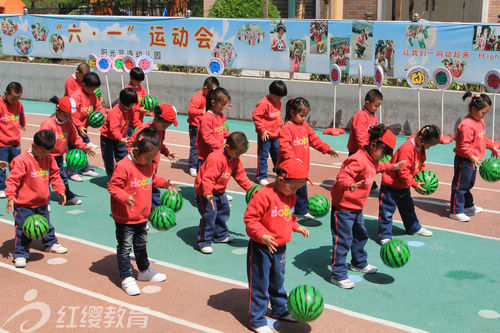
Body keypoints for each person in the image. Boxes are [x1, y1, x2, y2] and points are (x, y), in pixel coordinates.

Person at [330, 124, 405, 289]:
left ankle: (358, 262)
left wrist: (394, 166)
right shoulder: (359, 159)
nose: (384, 157)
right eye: (383, 152)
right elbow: (343, 175)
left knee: (360, 236)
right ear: (373, 145)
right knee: (342, 241)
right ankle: (338, 274)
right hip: (343, 208)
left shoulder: (373, 160)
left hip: (356, 208)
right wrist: (349, 184)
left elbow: (380, 167)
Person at [108, 127, 178, 296]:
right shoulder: (123, 166)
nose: (149, 162)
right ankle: (126, 277)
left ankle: (143, 270)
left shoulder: (149, 164)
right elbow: (113, 186)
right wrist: (125, 197)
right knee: (125, 248)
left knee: (141, 245)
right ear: (137, 150)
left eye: (153, 158)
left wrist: (164, 183)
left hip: (142, 216)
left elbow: (152, 179)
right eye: (147, 158)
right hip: (125, 218)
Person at [244, 158, 310, 333]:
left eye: (298, 189)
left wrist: (296, 226)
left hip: (280, 248)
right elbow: (250, 220)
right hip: (261, 248)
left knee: (278, 280)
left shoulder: (290, 196)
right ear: (281, 180)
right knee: (260, 283)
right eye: (294, 187)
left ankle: (280, 309)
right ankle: (257, 320)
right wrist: (262, 235)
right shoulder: (264, 195)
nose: (295, 192)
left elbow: (289, 216)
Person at [5, 130, 68, 268]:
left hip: (42, 202)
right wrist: (11, 197)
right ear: (34, 146)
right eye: (43, 152)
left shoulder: (49, 158)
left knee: (46, 225)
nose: (45, 155)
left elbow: (55, 175)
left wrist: (61, 191)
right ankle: (21, 253)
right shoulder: (21, 161)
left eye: (47, 152)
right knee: (22, 229)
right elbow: (12, 181)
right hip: (24, 205)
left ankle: (50, 243)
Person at [377, 125, 441, 244]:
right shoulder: (407, 149)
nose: (429, 148)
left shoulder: (421, 150)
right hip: (391, 185)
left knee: (408, 208)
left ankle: (413, 227)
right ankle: (384, 235)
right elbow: (403, 171)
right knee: (386, 211)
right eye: (429, 145)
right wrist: (414, 183)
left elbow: (421, 165)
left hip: (403, 185)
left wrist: (422, 177)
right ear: (421, 139)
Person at [278, 97, 338, 219]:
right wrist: (292, 161)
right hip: (290, 169)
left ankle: (301, 210)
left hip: (302, 168)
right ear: (292, 112)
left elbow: (314, 139)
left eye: (306, 115)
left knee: (301, 189)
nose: (304, 118)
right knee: (287, 190)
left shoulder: (305, 126)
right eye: (301, 115)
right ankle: (283, 210)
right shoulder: (287, 128)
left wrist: (326, 149)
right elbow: (285, 146)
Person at [194, 132, 252, 254]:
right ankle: (203, 241)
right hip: (205, 192)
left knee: (223, 211)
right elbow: (208, 177)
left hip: (219, 191)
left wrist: (249, 189)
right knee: (210, 215)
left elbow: (240, 175)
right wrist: (207, 192)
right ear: (227, 147)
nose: (238, 156)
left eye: (240, 154)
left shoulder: (235, 159)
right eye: (237, 153)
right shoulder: (216, 158)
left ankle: (220, 235)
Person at [450, 92, 500, 222]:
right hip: (465, 159)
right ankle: (456, 211)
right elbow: (463, 146)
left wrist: (492, 146)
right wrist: (471, 156)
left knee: (469, 183)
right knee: (460, 185)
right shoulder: (466, 125)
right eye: (483, 112)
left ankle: (467, 205)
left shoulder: (479, 122)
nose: (484, 115)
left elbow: (483, 139)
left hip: (474, 160)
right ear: (473, 109)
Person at [41, 96, 96, 205]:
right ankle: (44, 201)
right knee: (45, 179)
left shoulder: (69, 123)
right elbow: (41, 142)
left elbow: (75, 138)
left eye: (69, 116)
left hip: (58, 157)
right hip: (45, 157)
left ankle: (67, 194)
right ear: (57, 110)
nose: (67, 118)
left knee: (62, 177)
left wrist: (85, 147)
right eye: (65, 115)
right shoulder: (48, 124)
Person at [127, 104, 178, 212]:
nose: (166, 128)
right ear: (156, 118)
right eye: (165, 125)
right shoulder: (143, 130)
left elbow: (159, 143)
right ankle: (138, 212)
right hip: (140, 167)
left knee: (153, 188)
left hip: (152, 166)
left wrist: (166, 152)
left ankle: (154, 210)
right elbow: (130, 143)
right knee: (140, 190)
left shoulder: (161, 131)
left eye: (167, 126)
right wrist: (134, 161)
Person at [347, 89, 383, 196]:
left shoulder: (373, 115)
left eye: (378, 106)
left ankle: (370, 186)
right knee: (354, 170)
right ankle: (347, 184)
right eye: (376, 106)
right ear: (367, 103)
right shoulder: (360, 116)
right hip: (357, 150)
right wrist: (364, 148)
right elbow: (359, 135)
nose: (377, 108)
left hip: (367, 149)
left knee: (366, 169)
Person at [69, 72, 104, 181]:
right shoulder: (76, 96)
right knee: (73, 149)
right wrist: (79, 126)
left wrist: (102, 116)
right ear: (83, 84)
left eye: (94, 89)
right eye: (90, 89)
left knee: (84, 148)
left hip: (83, 128)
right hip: (73, 127)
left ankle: (84, 168)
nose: (92, 91)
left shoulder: (92, 95)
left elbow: (98, 107)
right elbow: (72, 113)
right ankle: (72, 171)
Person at [100, 88, 141, 181]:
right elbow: (113, 129)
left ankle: (122, 177)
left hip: (121, 139)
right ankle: (112, 180)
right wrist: (120, 138)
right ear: (129, 103)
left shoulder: (130, 110)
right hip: (108, 139)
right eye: (133, 103)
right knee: (109, 160)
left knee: (123, 159)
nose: (134, 105)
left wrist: (143, 129)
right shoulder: (115, 112)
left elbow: (135, 122)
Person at [253, 80, 287, 185]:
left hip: (276, 135)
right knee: (263, 156)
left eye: (281, 97)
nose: (280, 99)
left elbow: (278, 117)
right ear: (271, 93)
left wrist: (282, 128)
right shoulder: (263, 104)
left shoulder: (278, 103)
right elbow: (256, 116)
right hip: (265, 136)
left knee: (277, 155)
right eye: (278, 96)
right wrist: (262, 130)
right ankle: (261, 176)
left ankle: (279, 173)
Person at [187, 76, 220, 177]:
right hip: (195, 126)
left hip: (204, 127)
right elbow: (190, 110)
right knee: (195, 146)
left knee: (204, 147)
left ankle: (203, 164)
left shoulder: (209, 98)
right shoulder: (197, 98)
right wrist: (202, 112)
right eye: (212, 91)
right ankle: (193, 166)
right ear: (206, 89)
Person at [0, 82, 25, 199]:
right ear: (6, 94)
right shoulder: (0, 105)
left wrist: (23, 124)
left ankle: (14, 186)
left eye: (18, 97)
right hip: (2, 143)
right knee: (2, 167)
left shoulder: (18, 104)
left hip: (15, 143)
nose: (16, 100)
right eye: (13, 97)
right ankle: (1, 187)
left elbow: (21, 114)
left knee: (16, 166)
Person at [196, 87, 231, 168]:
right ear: (213, 103)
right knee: (203, 179)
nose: (224, 106)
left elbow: (223, 130)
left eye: (225, 104)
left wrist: (232, 137)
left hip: (216, 153)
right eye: (223, 104)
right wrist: (219, 146)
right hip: (205, 156)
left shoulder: (220, 115)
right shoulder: (207, 118)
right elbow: (207, 136)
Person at [124, 67, 150, 134]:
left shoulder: (140, 87)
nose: (139, 83)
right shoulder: (128, 89)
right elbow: (128, 105)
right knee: (130, 139)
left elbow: (145, 98)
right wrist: (139, 109)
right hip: (130, 121)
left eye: (140, 81)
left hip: (139, 119)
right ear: (131, 78)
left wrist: (148, 106)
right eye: (138, 81)